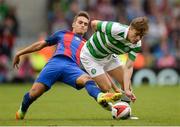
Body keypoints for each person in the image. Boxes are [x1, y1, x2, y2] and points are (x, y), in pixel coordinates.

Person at [13, 11, 121, 120]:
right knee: (34, 93)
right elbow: (41, 44)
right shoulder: (62, 33)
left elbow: (99, 66)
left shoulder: (88, 45)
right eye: (80, 22)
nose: (83, 25)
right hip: (54, 63)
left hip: (72, 68)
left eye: (85, 24)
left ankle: (100, 97)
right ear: (74, 24)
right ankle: (22, 110)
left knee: (87, 79)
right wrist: (20, 53)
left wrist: (115, 88)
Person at [80, 17, 149, 102]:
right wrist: (99, 40)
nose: (138, 38)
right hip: (90, 56)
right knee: (106, 87)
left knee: (127, 85)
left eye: (141, 36)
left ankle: (125, 112)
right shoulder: (115, 28)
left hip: (108, 55)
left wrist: (126, 90)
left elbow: (129, 67)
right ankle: (97, 91)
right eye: (136, 34)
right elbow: (93, 23)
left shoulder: (137, 44)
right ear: (130, 28)